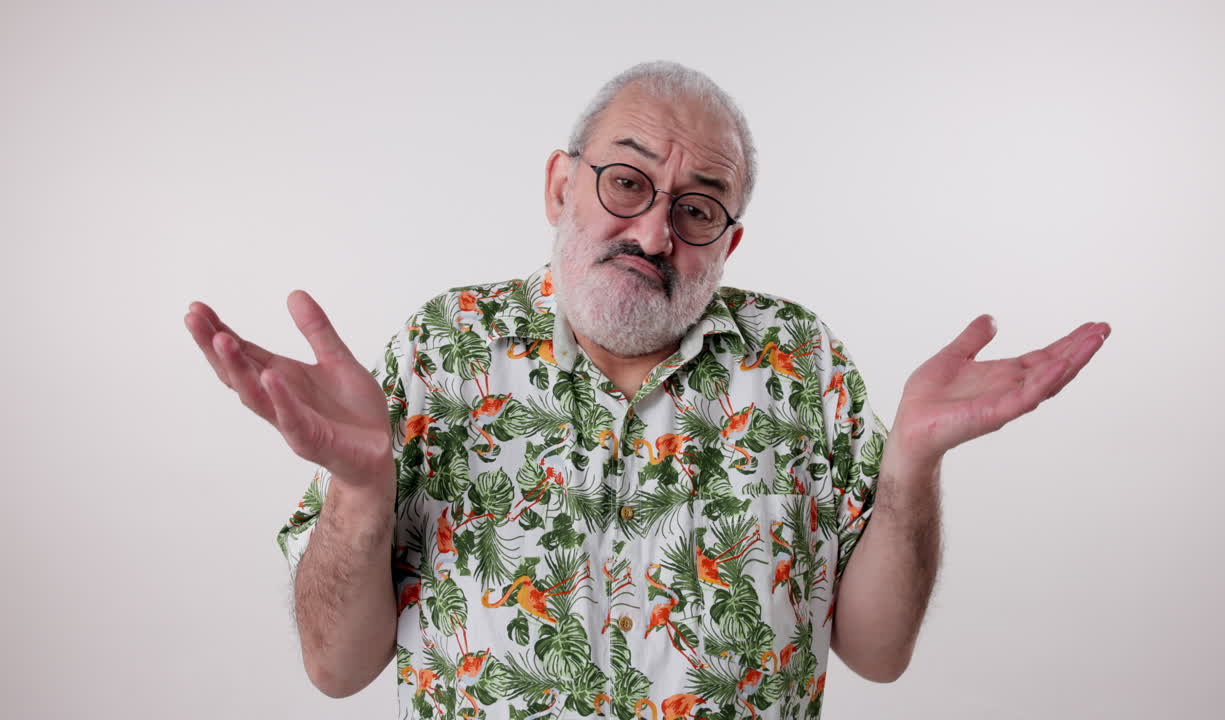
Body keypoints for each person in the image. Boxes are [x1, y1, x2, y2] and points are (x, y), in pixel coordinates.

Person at [184, 60, 1110, 719]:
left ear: (729, 241)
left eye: (698, 207)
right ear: (561, 187)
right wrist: (360, 490)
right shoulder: (441, 349)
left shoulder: (801, 361)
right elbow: (336, 672)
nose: (656, 232)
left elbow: (876, 655)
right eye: (626, 181)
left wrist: (911, 464)